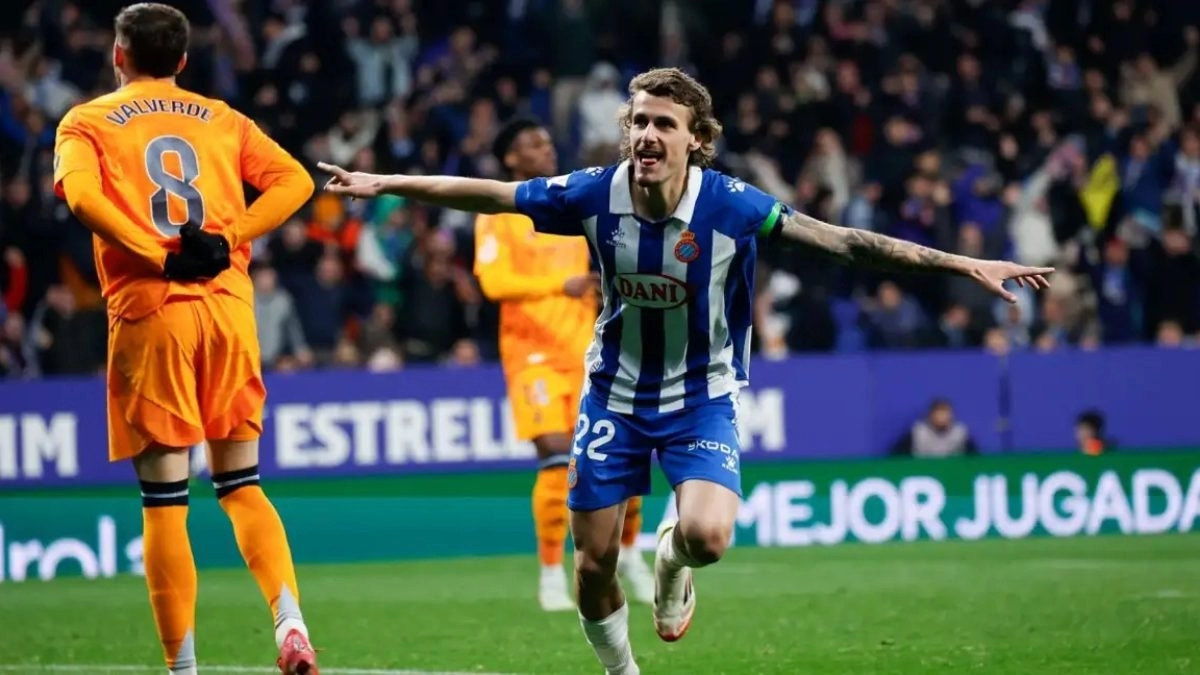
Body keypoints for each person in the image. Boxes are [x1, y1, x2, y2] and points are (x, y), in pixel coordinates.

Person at [318, 67, 1052, 675]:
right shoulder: (592, 192)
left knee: (706, 537)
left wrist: (962, 263)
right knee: (593, 565)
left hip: (701, 395)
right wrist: (385, 182)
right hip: (613, 395)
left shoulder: (733, 206)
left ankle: (671, 566)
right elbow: (491, 195)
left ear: (695, 140)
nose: (647, 134)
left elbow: (846, 242)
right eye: (638, 121)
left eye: (664, 124)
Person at [53, 4, 318, 674]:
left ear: (119, 55)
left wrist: (159, 255)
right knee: (242, 483)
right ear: (183, 60)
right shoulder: (222, 117)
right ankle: (290, 618)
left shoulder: (86, 121)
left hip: (152, 313)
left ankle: (184, 667)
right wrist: (228, 237)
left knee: (166, 504)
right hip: (228, 312)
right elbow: (297, 180)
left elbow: (82, 199)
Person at [474, 117, 656, 611]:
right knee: (557, 458)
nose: (546, 148)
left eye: (547, 141)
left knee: (622, 452)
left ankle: (630, 555)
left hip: (587, 350)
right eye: (533, 143)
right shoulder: (496, 213)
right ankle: (552, 573)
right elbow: (494, 283)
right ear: (511, 158)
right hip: (532, 357)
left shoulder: (570, 204)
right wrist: (561, 285)